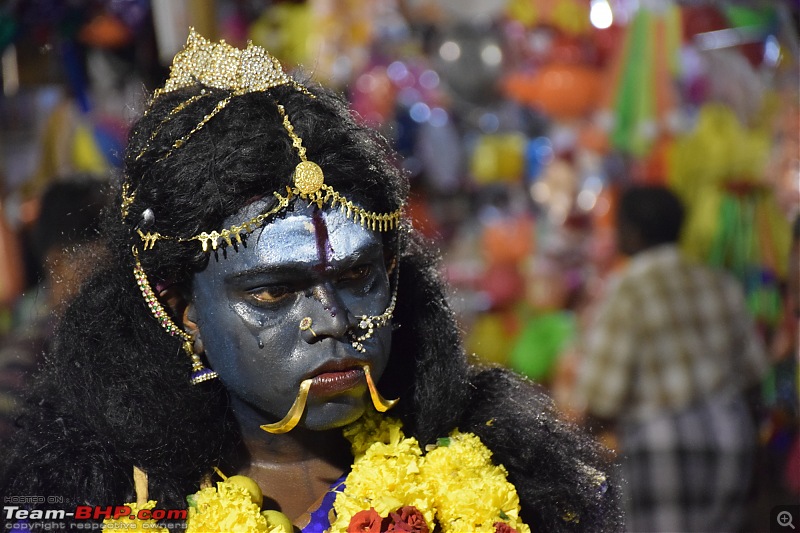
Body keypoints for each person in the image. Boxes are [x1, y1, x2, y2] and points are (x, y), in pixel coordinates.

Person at [1, 31, 622, 532]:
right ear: (181, 306)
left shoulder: (499, 468)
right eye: (273, 292)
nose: (332, 318)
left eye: (357, 276)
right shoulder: (92, 494)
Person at [572, 185, 769, 533]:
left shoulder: (628, 290)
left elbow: (603, 398)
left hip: (662, 451)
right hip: (730, 440)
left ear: (632, 232)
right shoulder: (718, 282)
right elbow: (754, 379)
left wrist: (569, 446)